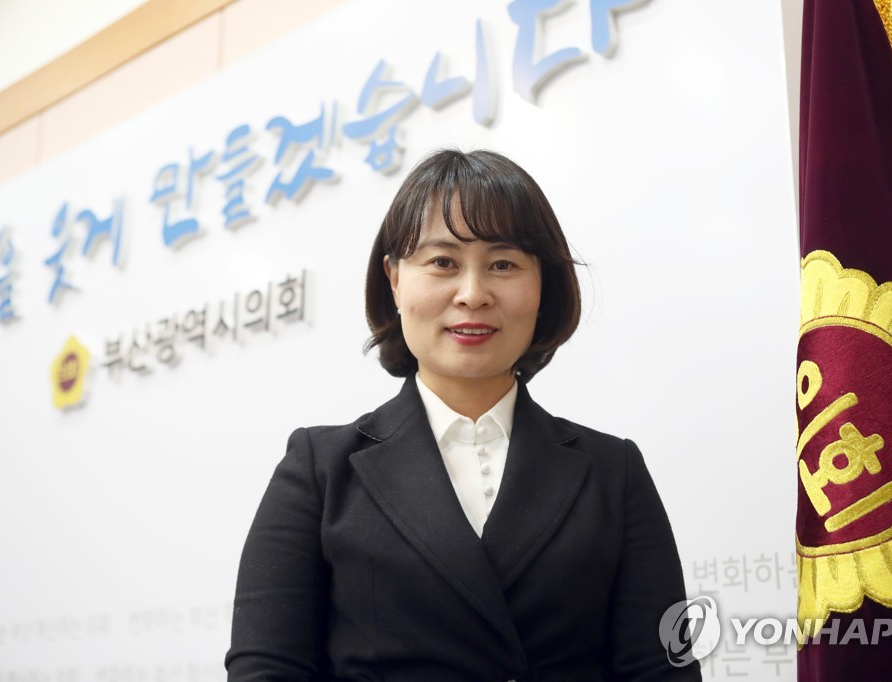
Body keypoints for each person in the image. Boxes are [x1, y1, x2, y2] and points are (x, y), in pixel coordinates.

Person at [225, 149, 700, 681]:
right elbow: (267, 669)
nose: (473, 295)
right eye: (443, 262)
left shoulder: (613, 470)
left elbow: (662, 670)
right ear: (394, 279)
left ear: (542, 285)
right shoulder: (319, 468)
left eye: (503, 264)